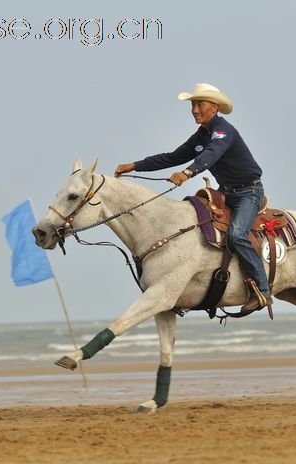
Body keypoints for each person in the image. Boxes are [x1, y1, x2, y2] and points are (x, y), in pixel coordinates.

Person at [114, 83, 272, 312]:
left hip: (249, 192)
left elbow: (212, 153)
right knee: (196, 228)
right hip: (226, 192)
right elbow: (171, 157)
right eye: (193, 105)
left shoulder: (223, 131)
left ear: (214, 107)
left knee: (237, 235)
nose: (195, 110)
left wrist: (188, 173)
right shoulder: (200, 136)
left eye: (200, 104)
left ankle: (263, 290)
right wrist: (135, 166)